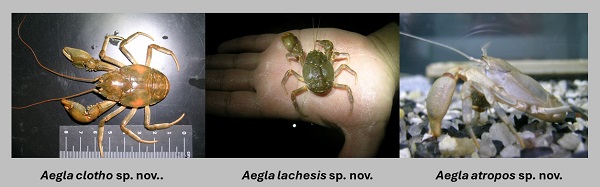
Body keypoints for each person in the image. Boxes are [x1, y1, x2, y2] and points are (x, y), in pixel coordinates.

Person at [206, 23, 399, 157]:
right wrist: (381, 50)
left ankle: (299, 108)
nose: (315, 53)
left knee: (292, 91)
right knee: (346, 87)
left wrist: (382, 49)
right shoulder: (329, 58)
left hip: (309, 86)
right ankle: (337, 102)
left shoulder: (302, 58)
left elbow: (293, 64)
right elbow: (338, 58)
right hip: (330, 84)